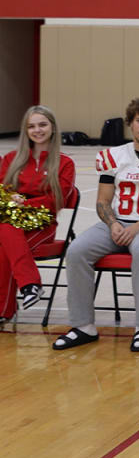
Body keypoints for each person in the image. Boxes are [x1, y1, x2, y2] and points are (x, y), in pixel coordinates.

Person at [53, 97, 139, 352]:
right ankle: (83, 326)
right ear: (130, 123)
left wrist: (137, 228)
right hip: (116, 224)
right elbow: (103, 200)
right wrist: (114, 224)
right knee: (77, 251)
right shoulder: (113, 156)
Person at [0, 106, 76, 321]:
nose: (37, 130)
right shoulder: (10, 159)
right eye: (31, 126)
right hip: (10, 219)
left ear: (52, 127)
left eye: (42, 124)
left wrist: (26, 202)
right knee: (6, 233)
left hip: (41, 223)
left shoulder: (64, 162)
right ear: (25, 130)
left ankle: (5, 309)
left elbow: (57, 199)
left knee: (4, 236)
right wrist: (9, 200)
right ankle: (30, 285)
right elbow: (1, 190)